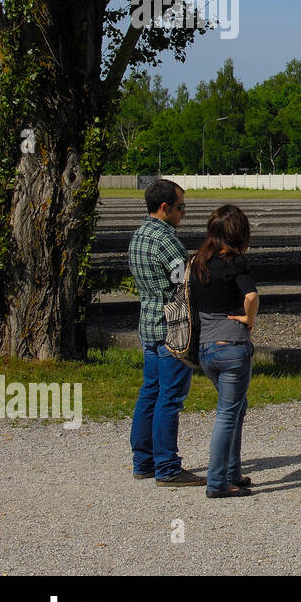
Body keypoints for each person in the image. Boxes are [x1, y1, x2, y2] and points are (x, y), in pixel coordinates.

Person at [128, 179, 204, 487]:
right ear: (165, 207)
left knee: (150, 392)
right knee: (170, 399)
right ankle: (168, 467)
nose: (183, 213)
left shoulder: (138, 235)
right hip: (171, 328)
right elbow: (183, 282)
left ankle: (142, 460)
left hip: (147, 323)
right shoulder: (167, 240)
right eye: (181, 207)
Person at [190, 204, 259, 498]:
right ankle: (217, 482)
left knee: (236, 409)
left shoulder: (196, 263)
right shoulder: (236, 263)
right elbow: (252, 296)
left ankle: (232, 472)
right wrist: (249, 319)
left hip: (205, 348)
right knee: (227, 414)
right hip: (232, 347)